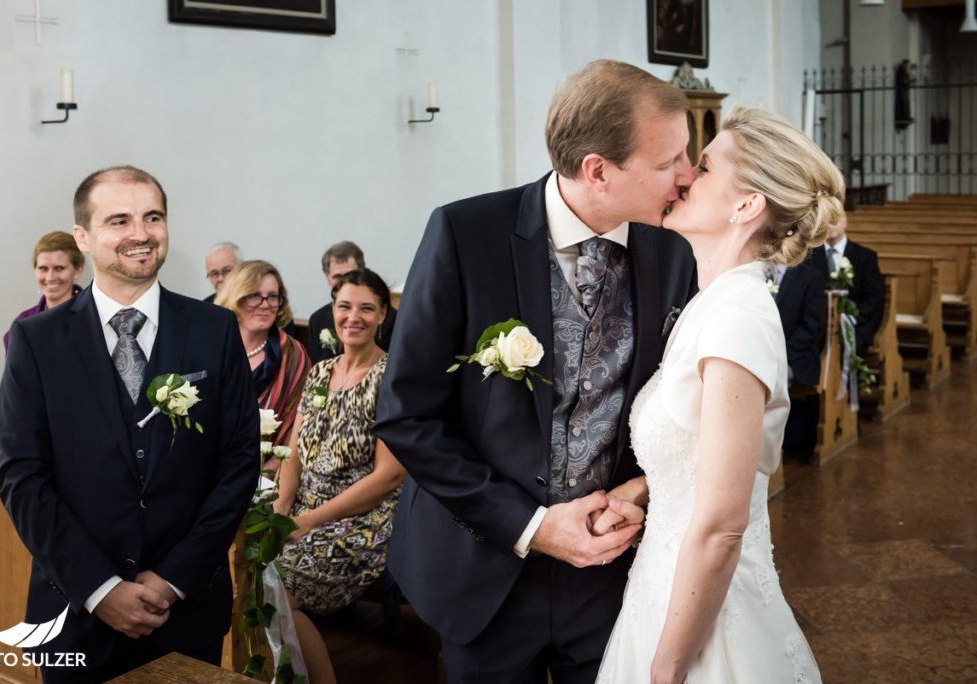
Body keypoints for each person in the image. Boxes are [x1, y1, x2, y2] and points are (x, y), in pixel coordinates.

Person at [374, 59, 698, 683]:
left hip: (616, 570)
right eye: (668, 163)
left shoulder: (674, 250)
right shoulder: (465, 234)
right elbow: (406, 414)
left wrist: (636, 494)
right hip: (484, 571)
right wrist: (531, 526)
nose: (686, 177)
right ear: (597, 170)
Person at [596, 105, 836, 683]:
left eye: (702, 168)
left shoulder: (737, 319)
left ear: (746, 205)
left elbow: (725, 524)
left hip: (704, 617)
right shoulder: (713, 302)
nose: (683, 176)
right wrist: (644, 486)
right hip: (666, 583)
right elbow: (708, 450)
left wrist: (669, 666)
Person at [0, 165, 260, 683]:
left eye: (153, 217)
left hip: (184, 608)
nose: (140, 234)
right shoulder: (37, 341)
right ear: (84, 237)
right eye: (119, 220)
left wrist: (174, 579)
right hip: (74, 611)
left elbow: (238, 462)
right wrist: (99, 587)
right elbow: (22, 476)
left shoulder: (215, 329)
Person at [274, 268, 404, 615]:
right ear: (333, 311)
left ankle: (311, 672)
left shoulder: (392, 379)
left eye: (366, 308)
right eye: (344, 306)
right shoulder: (319, 372)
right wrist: (282, 510)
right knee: (245, 569)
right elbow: (293, 451)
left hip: (359, 520)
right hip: (303, 509)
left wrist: (311, 521)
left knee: (277, 597)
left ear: (382, 315)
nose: (353, 317)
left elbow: (389, 475)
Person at [216, 260, 311, 460]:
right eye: (254, 296)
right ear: (236, 296)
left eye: (272, 297)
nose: (265, 305)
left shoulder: (293, 355)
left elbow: (295, 434)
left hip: (268, 472)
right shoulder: (212, 346)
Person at [306, 241, 397, 361]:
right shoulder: (318, 319)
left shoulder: (393, 319)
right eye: (337, 276)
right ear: (327, 278)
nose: (345, 282)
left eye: (350, 275)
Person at [808, 215, 885, 354]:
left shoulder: (865, 257)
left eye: (836, 220)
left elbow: (874, 298)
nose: (831, 225)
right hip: (817, 325)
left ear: (846, 223)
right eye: (827, 221)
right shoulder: (810, 256)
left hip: (854, 324)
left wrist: (848, 317)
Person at [775, 262, 825, 459]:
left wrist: (781, 354)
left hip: (795, 354)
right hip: (763, 349)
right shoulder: (758, 271)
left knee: (773, 375)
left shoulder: (810, 276)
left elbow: (811, 326)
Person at [3, 230, 85, 350]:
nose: (50, 278)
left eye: (59, 268)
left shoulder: (95, 316)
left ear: (77, 270)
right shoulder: (23, 323)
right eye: (43, 268)